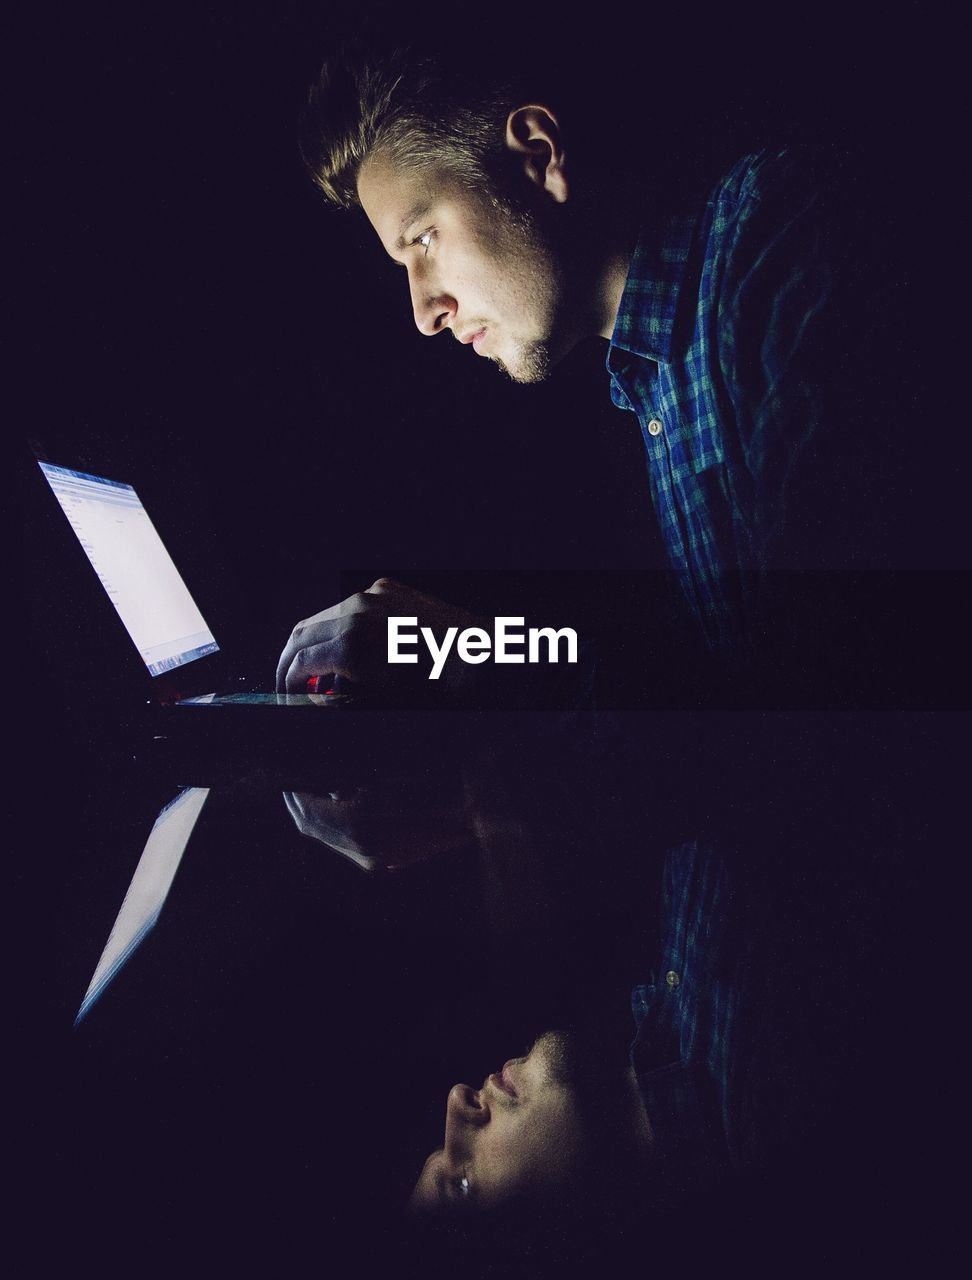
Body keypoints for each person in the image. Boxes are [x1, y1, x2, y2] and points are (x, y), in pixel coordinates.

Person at [276, 37, 898, 702]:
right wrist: (463, 648)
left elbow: (825, 697)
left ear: (537, 157)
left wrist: (470, 656)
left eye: (424, 239)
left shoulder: (776, 236)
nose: (425, 312)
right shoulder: (648, 374)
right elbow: (717, 680)